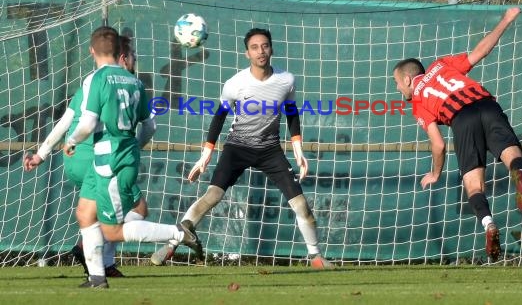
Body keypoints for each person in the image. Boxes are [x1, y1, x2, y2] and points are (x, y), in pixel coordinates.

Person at [150, 28, 333, 269]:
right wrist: (206, 155)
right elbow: (219, 117)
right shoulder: (235, 83)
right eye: (255, 47)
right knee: (213, 196)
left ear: (271, 49)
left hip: (270, 150)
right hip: (237, 147)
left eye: (265, 46)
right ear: (247, 53)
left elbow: (291, 112)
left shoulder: (286, 80)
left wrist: (297, 148)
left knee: (302, 206)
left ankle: (316, 257)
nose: (261, 51)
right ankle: (172, 244)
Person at [61, 26, 202, 288]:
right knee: (84, 214)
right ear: (119, 52)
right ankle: (97, 277)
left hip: (108, 159)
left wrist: (71, 141)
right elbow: (149, 127)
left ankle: (177, 233)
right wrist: (132, 146)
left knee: (112, 229)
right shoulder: (135, 82)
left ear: (92, 51)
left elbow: (89, 121)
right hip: (120, 156)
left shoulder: (97, 79)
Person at [392, 7, 522, 262]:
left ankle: (489, 224)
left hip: (461, 119)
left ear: (409, 79)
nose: (398, 89)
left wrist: (435, 173)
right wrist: (507, 19)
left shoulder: (418, 102)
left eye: (398, 83)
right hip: (487, 105)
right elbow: (481, 51)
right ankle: (520, 173)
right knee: (513, 154)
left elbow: (438, 145)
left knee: (473, 185)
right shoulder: (441, 65)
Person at [23, 35, 146, 278]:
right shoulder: (125, 83)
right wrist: (132, 147)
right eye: (132, 56)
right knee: (137, 208)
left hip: (75, 158)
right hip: (98, 155)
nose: (134, 60)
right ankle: (175, 235)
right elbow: (149, 125)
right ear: (122, 57)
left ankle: (103, 266)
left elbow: (66, 121)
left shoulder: (90, 81)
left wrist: (41, 154)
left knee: (94, 212)